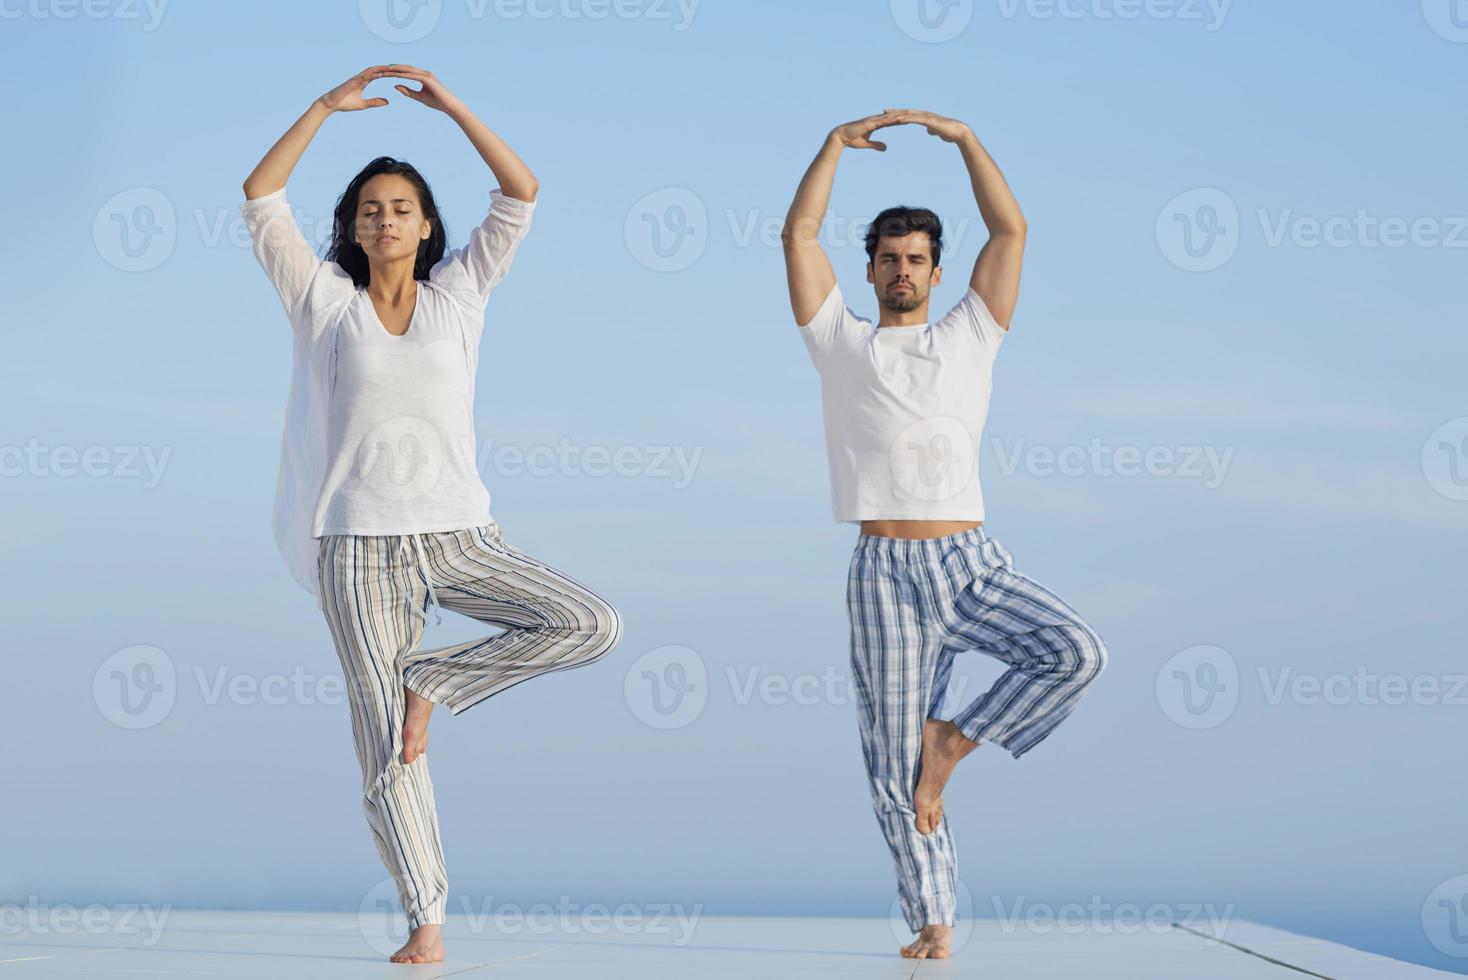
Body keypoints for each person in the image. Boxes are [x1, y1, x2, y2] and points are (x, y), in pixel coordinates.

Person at [239, 65, 623, 965]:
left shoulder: (461, 295)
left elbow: (521, 192)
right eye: (369, 208)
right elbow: (261, 197)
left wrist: (452, 109)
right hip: (356, 549)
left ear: (426, 223)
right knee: (386, 752)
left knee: (590, 623)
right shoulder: (322, 303)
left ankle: (437, 683)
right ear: (352, 225)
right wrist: (322, 110)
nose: (384, 219)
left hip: (459, 537)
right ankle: (427, 920)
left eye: (401, 207)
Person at [780, 108, 1109, 960]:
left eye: (916, 259)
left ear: (934, 271)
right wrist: (831, 149)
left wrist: (964, 141)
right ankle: (935, 920)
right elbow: (798, 233)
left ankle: (954, 739)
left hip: (968, 561)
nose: (901, 270)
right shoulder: (837, 341)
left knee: (1076, 651)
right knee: (891, 763)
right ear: (871, 270)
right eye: (888, 258)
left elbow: (1012, 227)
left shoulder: (972, 332)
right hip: (882, 569)